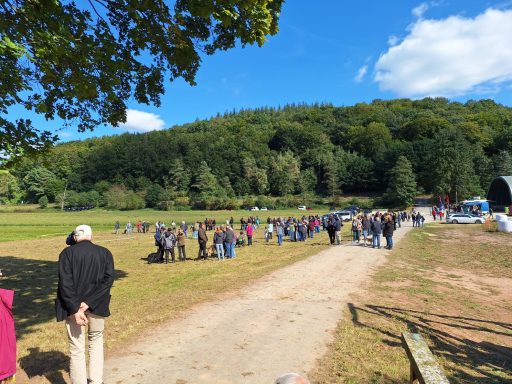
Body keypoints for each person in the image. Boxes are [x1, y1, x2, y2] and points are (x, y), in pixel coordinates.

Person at [55, 225, 115, 384]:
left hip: (73, 308)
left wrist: (76, 308)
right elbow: (108, 281)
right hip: (96, 305)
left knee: (77, 349)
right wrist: (87, 303)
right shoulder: (105, 253)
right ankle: (96, 380)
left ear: (75, 237)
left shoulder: (67, 253)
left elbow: (65, 284)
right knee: (96, 342)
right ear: (91, 236)